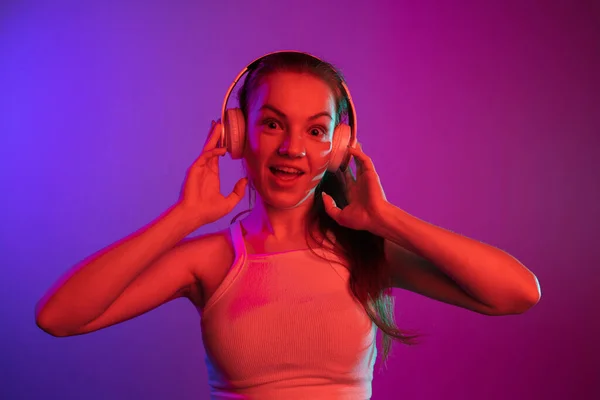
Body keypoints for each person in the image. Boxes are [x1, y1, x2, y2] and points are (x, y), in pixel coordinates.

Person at [35, 51, 541, 399]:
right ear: (237, 133)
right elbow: (59, 317)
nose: (292, 148)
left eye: (315, 130)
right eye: (272, 123)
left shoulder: (368, 253)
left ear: (338, 147)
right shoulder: (211, 261)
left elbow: (517, 293)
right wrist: (182, 218)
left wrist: (388, 220)